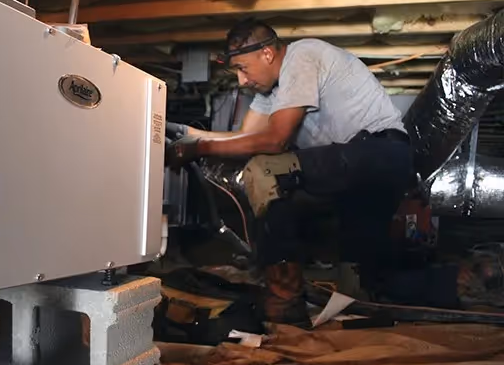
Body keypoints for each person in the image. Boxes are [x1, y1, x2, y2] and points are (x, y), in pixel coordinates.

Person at [165, 17, 416, 327]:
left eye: (243, 68)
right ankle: (436, 287)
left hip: (378, 154)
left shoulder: (301, 56)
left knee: (265, 171)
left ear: (267, 53)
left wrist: (200, 149)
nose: (242, 81)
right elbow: (244, 138)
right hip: (356, 169)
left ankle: (284, 303)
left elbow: (274, 141)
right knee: (357, 280)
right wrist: (186, 134)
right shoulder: (271, 92)